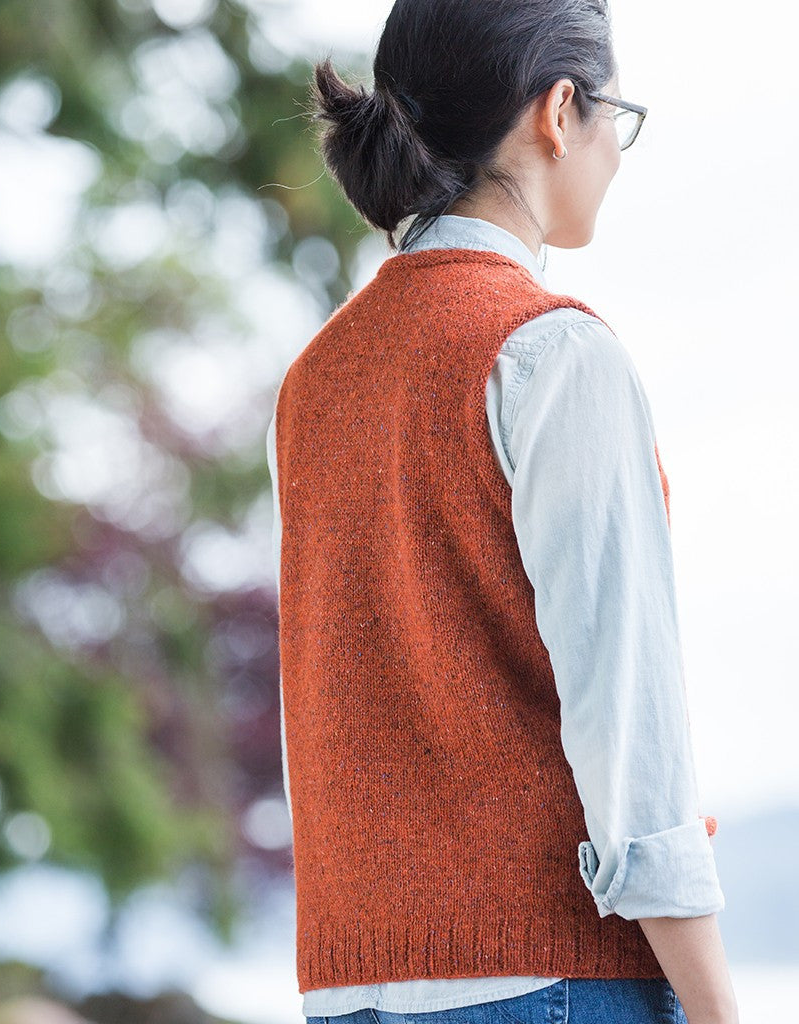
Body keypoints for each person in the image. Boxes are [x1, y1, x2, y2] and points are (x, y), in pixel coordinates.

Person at [266, 1, 739, 1022]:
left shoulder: (314, 378)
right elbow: (629, 732)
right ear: (558, 110)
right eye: (616, 113)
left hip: (352, 987)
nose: (617, 149)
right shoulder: (552, 353)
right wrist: (717, 1008)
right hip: (553, 976)